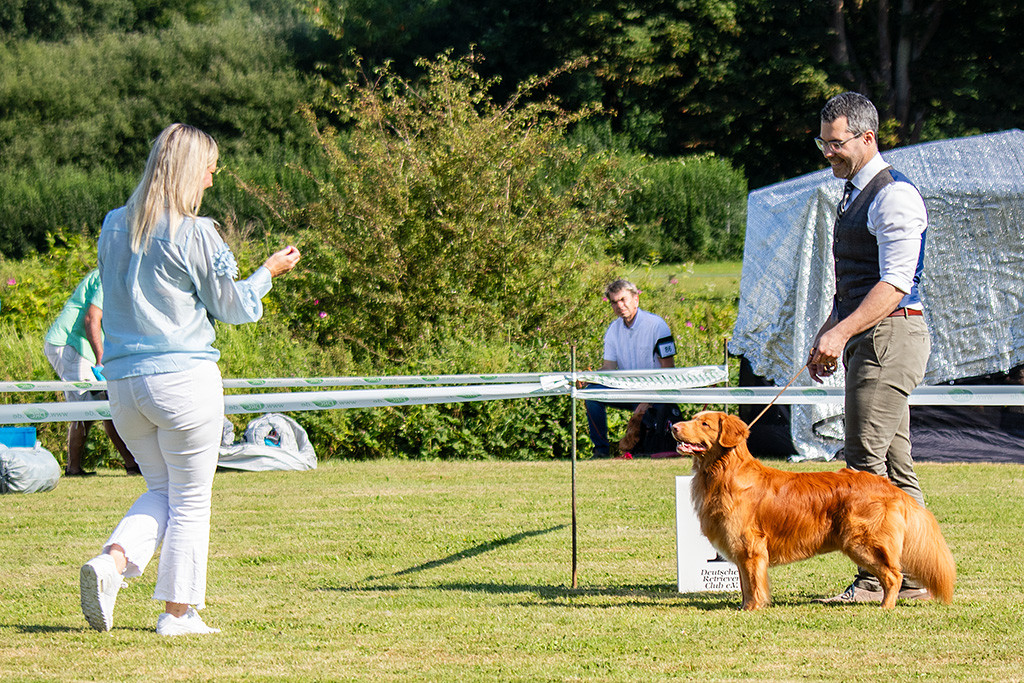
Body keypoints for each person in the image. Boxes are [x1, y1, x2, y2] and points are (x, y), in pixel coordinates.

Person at [78, 123, 301, 636]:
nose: (212, 178)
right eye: (209, 168)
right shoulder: (196, 231)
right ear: (189, 171)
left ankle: (111, 563)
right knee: (192, 500)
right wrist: (268, 272)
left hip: (124, 383)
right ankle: (178, 614)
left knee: (161, 489)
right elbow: (233, 306)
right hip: (183, 379)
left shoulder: (114, 225)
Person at [806, 92, 931, 603]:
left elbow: (894, 283)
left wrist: (841, 332)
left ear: (866, 137)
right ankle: (919, 572)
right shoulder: (853, 192)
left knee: (861, 465)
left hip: (891, 336)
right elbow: (855, 285)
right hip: (873, 336)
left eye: (835, 144)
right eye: (822, 143)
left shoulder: (894, 195)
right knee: (895, 467)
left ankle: (877, 577)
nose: (827, 153)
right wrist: (828, 330)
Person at [43, 269, 139, 476]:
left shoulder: (120, 274)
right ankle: (76, 468)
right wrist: (100, 360)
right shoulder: (110, 274)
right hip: (71, 345)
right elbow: (91, 319)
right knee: (87, 408)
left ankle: (130, 463)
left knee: (102, 405)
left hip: (81, 346)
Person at [584, 278, 676, 458]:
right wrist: (590, 378)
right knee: (591, 394)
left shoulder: (657, 325)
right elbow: (608, 368)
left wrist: (649, 397)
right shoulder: (613, 329)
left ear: (636, 299)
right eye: (614, 302)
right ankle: (601, 451)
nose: (619, 305)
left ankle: (644, 449)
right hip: (626, 390)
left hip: (656, 391)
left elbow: (669, 370)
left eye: (623, 299)